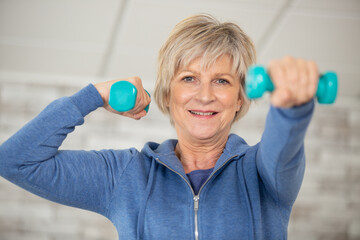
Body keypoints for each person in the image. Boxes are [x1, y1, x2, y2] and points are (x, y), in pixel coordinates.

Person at [0, 14, 318, 240]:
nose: (205, 95)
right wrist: (93, 96)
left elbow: (285, 139)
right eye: (189, 78)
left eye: (221, 80)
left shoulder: (263, 172)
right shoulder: (126, 175)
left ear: (239, 98)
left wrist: (292, 106)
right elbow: (14, 160)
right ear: (168, 93)